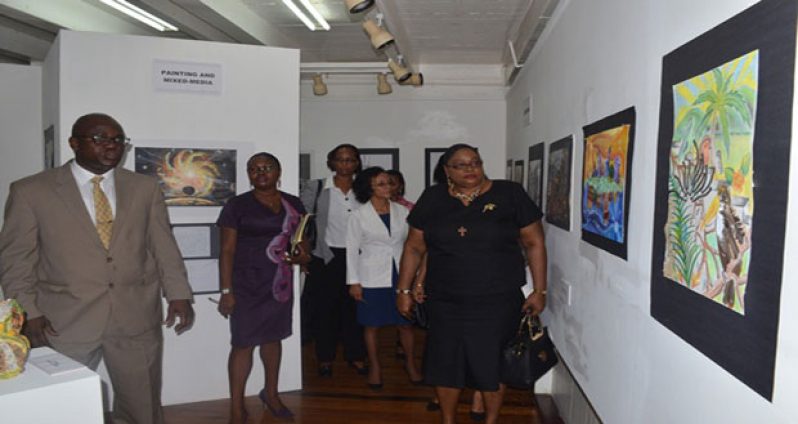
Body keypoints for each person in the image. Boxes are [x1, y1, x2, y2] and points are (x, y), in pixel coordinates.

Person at [0, 113, 195, 424]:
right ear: (74, 143)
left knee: (142, 405)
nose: (112, 146)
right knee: (62, 406)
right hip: (62, 321)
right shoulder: (31, 191)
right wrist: (28, 312)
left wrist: (179, 293)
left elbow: (163, 246)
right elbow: (15, 259)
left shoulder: (144, 188)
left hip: (135, 317)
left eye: (118, 140)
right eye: (100, 139)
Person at [397, 143, 547, 424]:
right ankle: (448, 419)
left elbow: (534, 242)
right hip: (444, 299)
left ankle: (490, 420)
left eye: (475, 162)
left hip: (497, 299)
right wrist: (404, 289)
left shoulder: (509, 194)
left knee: (491, 362)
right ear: (446, 171)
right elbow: (415, 247)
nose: (471, 169)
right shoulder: (433, 197)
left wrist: (539, 290)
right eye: (461, 165)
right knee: (445, 363)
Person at [216, 153, 310, 423]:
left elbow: (302, 241)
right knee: (242, 343)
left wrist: (303, 255)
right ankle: (236, 406)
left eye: (267, 167)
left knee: (273, 337)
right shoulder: (237, 205)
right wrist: (226, 291)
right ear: (248, 174)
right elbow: (227, 250)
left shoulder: (292, 203)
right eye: (254, 169)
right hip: (245, 285)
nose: (260, 172)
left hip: (279, 283)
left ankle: (271, 394)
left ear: (278, 171)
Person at [346, 167, 423, 389]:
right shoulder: (358, 216)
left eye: (389, 182)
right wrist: (354, 282)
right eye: (381, 183)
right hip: (371, 276)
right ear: (368, 187)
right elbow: (351, 251)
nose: (388, 187)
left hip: (401, 274)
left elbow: (413, 245)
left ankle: (410, 364)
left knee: (406, 324)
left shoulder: (403, 211)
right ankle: (376, 367)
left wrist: (417, 277)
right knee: (372, 325)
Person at [300, 144, 367, 377]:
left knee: (355, 310)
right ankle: (325, 358)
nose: (345, 164)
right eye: (340, 159)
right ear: (332, 163)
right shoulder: (317, 187)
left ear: (357, 163)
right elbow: (302, 222)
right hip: (326, 256)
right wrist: (304, 253)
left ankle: (356, 355)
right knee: (325, 310)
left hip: (359, 257)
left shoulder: (365, 188)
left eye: (350, 160)